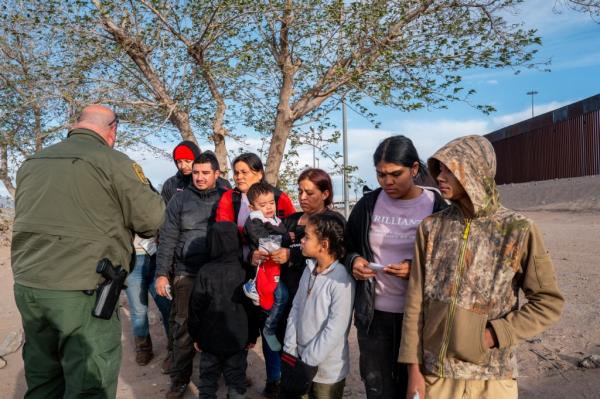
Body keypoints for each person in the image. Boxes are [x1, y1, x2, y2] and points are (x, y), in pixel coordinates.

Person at [11, 104, 165, 399]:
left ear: (76, 124)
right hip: (82, 290)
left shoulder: (32, 162)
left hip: (31, 288)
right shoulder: (112, 161)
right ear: (113, 131)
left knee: (43, 378)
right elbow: (151, 220)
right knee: (89, 381)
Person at [398, 135, 565, 399]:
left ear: (476, 171)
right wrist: (414, 372)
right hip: (437, 376)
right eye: (439, 169)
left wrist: (494, 334)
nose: (440, 177)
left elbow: (548, 302)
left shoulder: (518, 229)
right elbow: (415, 303)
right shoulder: (431, 228)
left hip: (493, 377)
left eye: (450, 170)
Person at [345, 135, 447, 399]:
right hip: (374, 317)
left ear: (414, 169)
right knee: (378, 388)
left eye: (395, 174)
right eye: (381, 175)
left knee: (415, 390)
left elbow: (450, 259)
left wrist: (415, 269)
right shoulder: (368, 205)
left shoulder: (436, 206)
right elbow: (346, 246)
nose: (387, 182)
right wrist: (354, 261)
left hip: (421, 318)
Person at [216, 152, 296, 398]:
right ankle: (237, 377)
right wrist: (249, 256)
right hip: (240, 270)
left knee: (271, 326)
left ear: (259, 174)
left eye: (245, 172)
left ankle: (275, 379)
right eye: (236, 172)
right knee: (241, 327)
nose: (239, 176)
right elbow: (224, 236)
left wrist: (284, 249)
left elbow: (291, 232)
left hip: (273, 274)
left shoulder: (278, 198)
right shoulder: (230, 199)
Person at [155, 152, 225, 399]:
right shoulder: (179, 200)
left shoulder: (228, 198)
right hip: (187, 273)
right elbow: (167, 239)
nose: (200, 177)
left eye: (206, 173)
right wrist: (162, 274)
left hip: (220, 275)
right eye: (196, 172)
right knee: (183, 328)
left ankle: (228, 373)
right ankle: (179, 380)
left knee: (222, 325)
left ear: (217, 174)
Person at [282, 213, 355, 399]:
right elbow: (296, 307)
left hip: (327, 372)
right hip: (299, 362)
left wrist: (308, 360)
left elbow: (335, 329)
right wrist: (290, 347)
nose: (302, 240)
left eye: (307, 237)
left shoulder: (341, 279)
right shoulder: (309, 269)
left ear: (324, 245)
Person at [188, 222, 261, 399]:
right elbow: (254, 308)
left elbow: (195, 307)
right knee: (236, 381)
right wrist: (252, 336)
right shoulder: (245, 271)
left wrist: (195, 335)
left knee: (207, 382)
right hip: (238, 339)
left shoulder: (205, 272)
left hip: (209, 340)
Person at [272, 169, 344, 337]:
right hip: (286, 296)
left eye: (309, 192)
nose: (302, 197)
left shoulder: (333, 221)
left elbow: (337, 255)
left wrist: (292, 255)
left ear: (325, 194)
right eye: (300, 191)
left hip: (315, 298)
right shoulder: (290, 220)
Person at [243, 182, 292, 352]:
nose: (269, 207)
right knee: (281, 296)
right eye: (263, 205)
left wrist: (285, 238)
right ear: (252, 207)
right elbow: (266, 242)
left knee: (281, 298)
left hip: (276, 268)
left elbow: (280, 239)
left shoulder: (275, 219)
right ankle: (269, 329)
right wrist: (286, 238)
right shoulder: (254, 221)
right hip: (266, 270)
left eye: (271, 203)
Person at [125, 235, 171, 366]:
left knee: (167, 305)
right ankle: (143, 349)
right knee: (138, 311)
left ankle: (174, 348)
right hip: (132, 259)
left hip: (157, 255)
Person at [161, 142, 231, 204]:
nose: (183, 166)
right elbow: (165, 214)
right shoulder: (170, 185)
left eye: (187, 161)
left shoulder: (222, 184)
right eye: (179, 162)